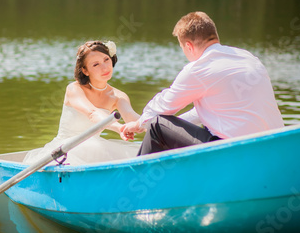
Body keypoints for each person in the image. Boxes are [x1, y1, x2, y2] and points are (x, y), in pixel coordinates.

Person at [120, 11, 284, 155]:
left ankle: (136, 176)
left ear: (189, 46)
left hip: (234, 151)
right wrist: (143, 123)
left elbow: (164, 106)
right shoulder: (248, 57)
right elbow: (201, 113)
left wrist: (139, 122)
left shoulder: (199, 69)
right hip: (274, 144)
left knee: (157, 125)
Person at [23, 40, 140, 165]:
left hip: (96, 148)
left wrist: (155, 123)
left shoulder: (118, 96)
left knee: (139, 151)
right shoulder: (74, 89)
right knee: (93, 146)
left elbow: (132, 117)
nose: (105, 67)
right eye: (96, 65)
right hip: (66, 148)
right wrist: (119, 128)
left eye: (106, 59)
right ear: (85, 70)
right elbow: (92, 113)